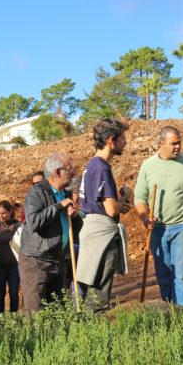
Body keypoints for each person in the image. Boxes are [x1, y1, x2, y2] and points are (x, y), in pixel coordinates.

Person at [134, 126, 183, 306]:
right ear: (162, 144)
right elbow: (140, 197)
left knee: (181, 275)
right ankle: (168, 311)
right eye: (174, 143)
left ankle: (182, 315)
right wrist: (144, 217)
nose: (178, 147)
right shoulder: (148, 166)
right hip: (157, 229)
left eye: (179, 143)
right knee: (164, 275)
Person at [76, 118, 132, 312]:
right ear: (111, 140)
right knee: (99, 295)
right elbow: (110, 210)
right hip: (102, 236)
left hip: (93, 230)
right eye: (122, 138)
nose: (125, 142)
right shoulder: (101, 167)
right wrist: (124, 197)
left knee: (94, 289)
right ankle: (95, 332)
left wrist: (119, 204)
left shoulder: (92, 166)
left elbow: (103, 204)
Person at [20, 153, 82, 313]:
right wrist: (59, 206)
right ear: (58, 172)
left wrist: (75, 216)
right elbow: (34, 222)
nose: (74, 173)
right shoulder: (36, 193)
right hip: (36, 262)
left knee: (58, 312)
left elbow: (75, 230)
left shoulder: (66, 193)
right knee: (36, 314)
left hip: (59, 260)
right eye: (70, 169)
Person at [0, 200, 21, 315]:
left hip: (14, 265)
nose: (1, 216)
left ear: (10, 212)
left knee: (13, 291)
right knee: (0, 292)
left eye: (4, 213)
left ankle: (13, 317)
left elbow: (22, 243)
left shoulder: (18, 226)